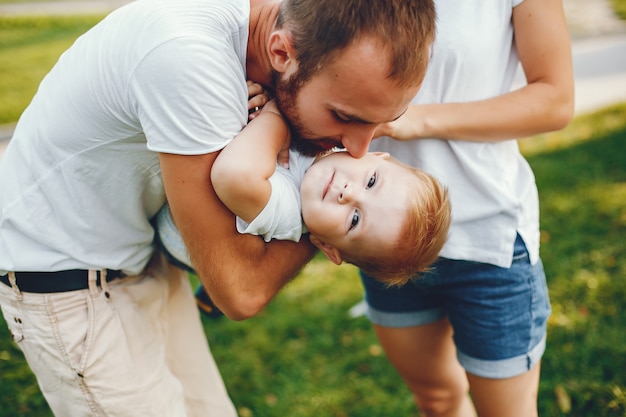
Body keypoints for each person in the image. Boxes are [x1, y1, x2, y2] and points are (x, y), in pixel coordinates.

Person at [0, 0, 437, 415]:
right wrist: (328, 228)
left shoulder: (276, 43)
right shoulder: (190, 61)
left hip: (141, 257)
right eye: (344, 115)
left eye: (380, 123)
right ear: (281, 52)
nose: (359, 148)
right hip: (68, 280)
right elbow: (240, 290)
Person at [355, 0, 575, 416]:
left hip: (488, 239)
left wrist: (417, 119)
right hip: (384, 241)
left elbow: (555, 100)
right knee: (437, 402)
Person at [157, 98, 451, 290]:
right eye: (372, 181)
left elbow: (233, 175)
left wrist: (274, 116)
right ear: (377, 156)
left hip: (175, 238)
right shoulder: (327, 144)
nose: (348, 193)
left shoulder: (289, 212)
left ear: (326, 247)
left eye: (355, 219)